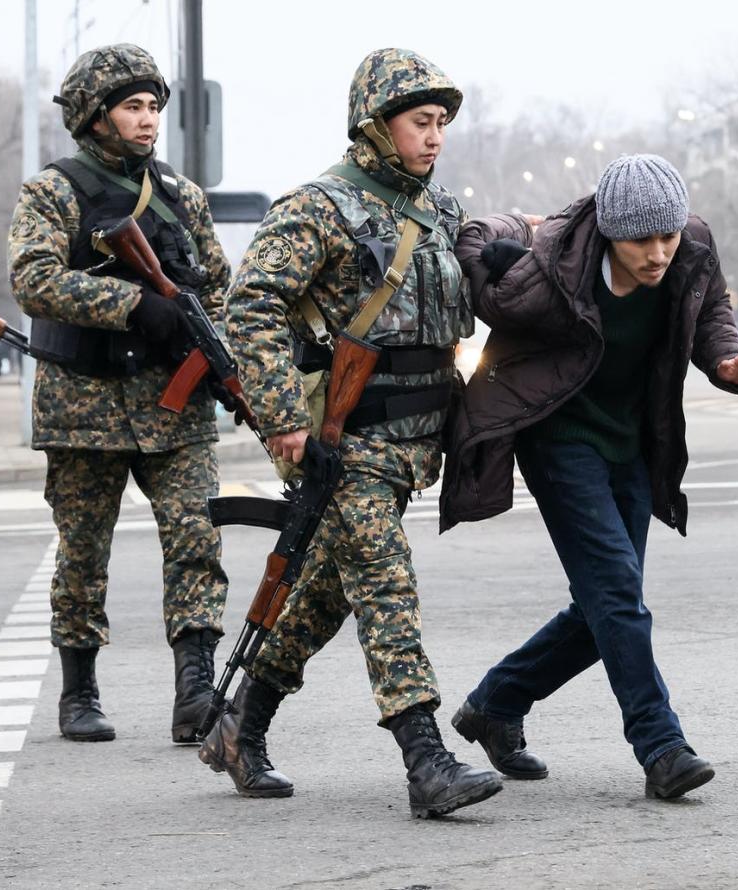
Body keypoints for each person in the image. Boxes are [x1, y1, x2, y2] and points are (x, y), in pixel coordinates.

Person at [198, 48, 502, 819]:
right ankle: (426, 759)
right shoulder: (319, 207)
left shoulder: (444, 214)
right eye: (419, 122)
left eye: (441, 124)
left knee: (330, 591)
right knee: (386, 585)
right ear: (376, 126)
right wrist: (281, 422)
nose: (434, 137)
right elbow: (253, 306)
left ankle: (240, 724)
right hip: (347, 442)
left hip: (415, 445)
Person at [439, 154, 738, 800]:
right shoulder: (552, 268)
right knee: (618, 594)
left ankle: (497, 701)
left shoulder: (691, 248)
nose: (658, 254)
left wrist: (729, 362)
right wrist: (516, 228)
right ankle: (661, 745)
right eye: (641, 240)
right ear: (609, 233)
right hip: (559, 435)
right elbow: (475, 254)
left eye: (668, 236)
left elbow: (710, 317)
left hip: (630, 439)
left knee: (605, 604)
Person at [7, 44, 231, 745]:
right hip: (86, 404)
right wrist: (133, 305)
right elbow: (33, 278)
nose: (147, 119)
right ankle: (80, 690)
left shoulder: (181, 194)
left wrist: (198, 319)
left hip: (175, 403)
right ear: (93, 115)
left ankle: (195, 688)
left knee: (197, 537)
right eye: (132, 106)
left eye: (153, 106)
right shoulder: (53, 191)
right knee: (82, 554)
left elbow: (219, 284)